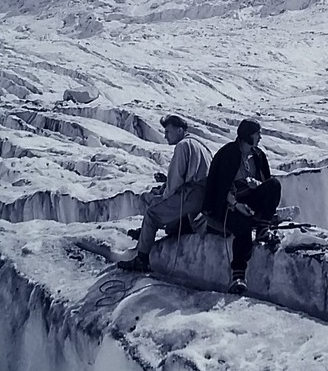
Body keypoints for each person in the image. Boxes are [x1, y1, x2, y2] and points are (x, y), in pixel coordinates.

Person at [118, 114, 211, 273]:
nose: (165, 135)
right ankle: (149, 234)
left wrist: (162, 197)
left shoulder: (183, 146)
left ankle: (142, 258)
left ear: (180, 130)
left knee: (152, 214)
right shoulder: (200, 145)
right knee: (170, 213)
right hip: (203, 195)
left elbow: (176, 181)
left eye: (168, 131)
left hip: (191, 193)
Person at [203, 118, 282, 293]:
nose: (260, 138)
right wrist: (236, 204)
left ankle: (263, 228)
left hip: (249, 200)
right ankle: (238, 276)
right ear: (248, 135)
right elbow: (219, 187)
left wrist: (258, 186)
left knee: (274, 185)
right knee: (243, 226)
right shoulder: (227, 154)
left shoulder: (258, 156)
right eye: (257, 134)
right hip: (228, 206)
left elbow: (265, 182)